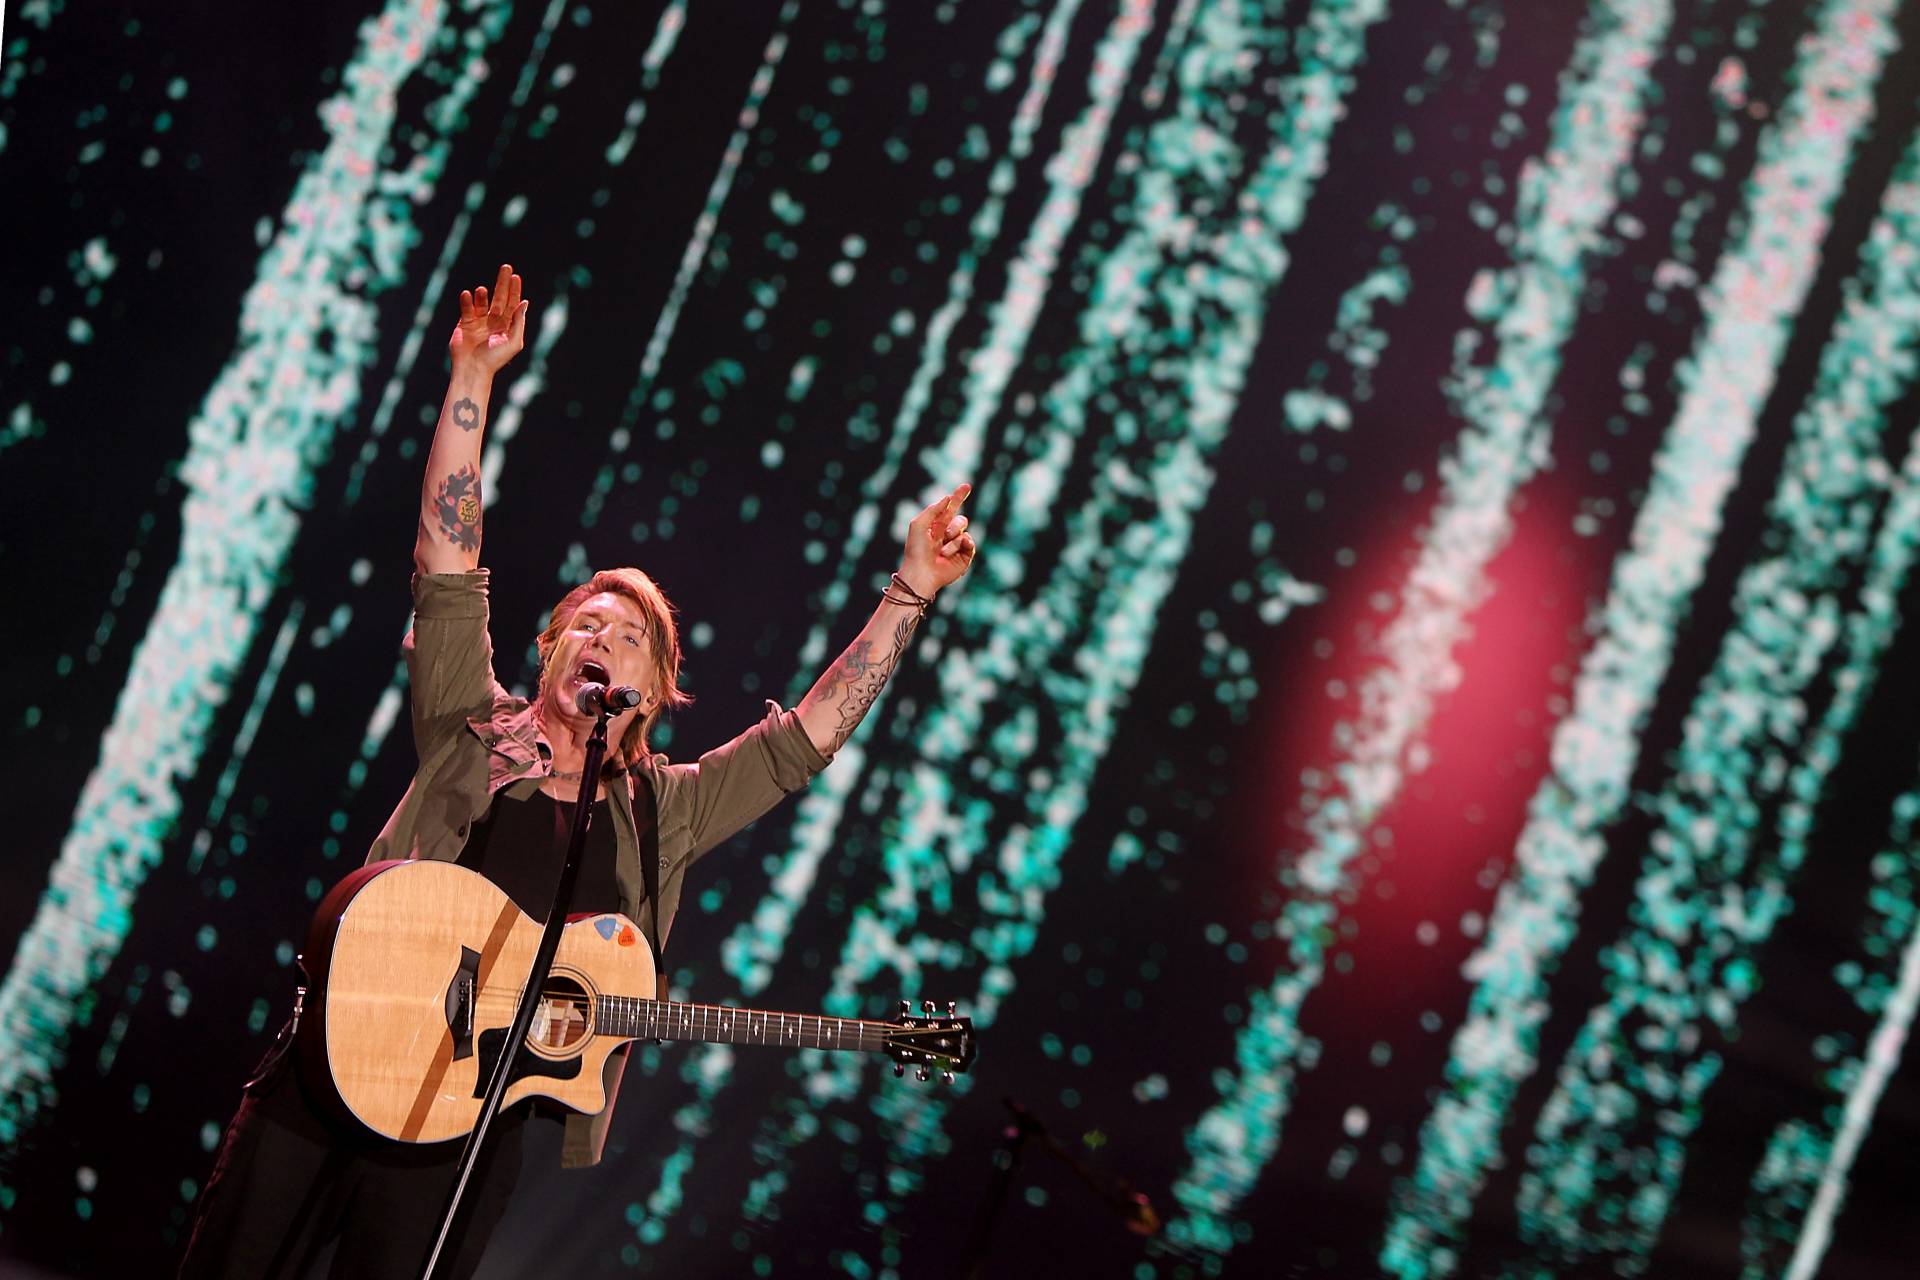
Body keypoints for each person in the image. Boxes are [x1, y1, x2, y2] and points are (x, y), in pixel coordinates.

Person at [178, 265, 977, 1278]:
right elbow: (449, 559)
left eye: (633, 634)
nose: (606, 635)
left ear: (658, 686)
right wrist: (472, 377)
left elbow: (805, 740)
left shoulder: (664, 811)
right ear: (551, 649)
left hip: (461, 1137)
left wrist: (911, 588)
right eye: (587, 623)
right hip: (331, 1070)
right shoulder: (474, 722)